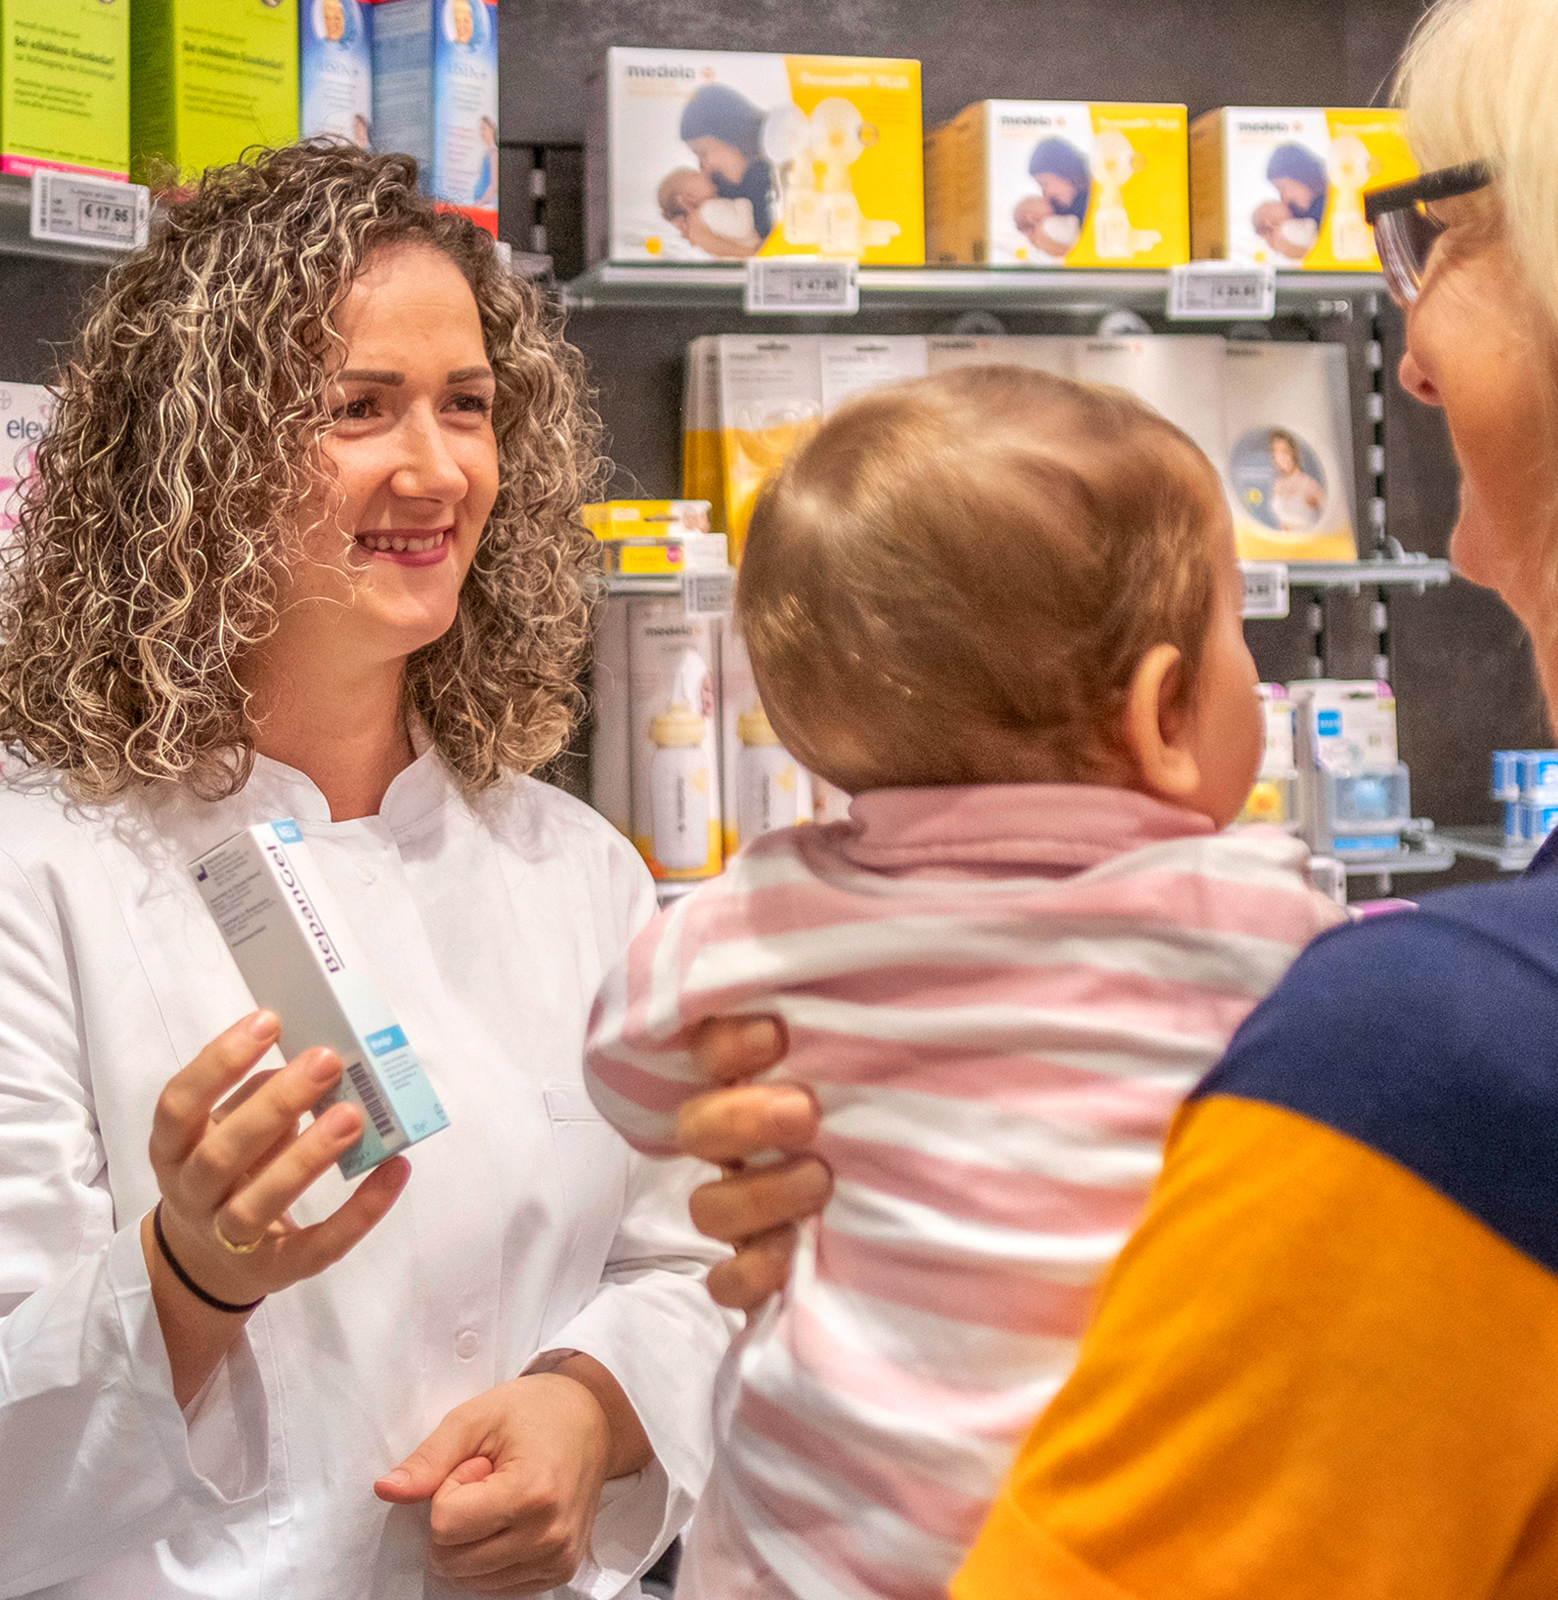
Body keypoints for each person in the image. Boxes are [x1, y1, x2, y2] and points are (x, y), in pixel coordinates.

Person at [670, 0, 1558, 1592]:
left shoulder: (1428, 1055)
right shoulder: (1332, 969)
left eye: (1443, 235)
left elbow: (644, 1055)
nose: (1405, 355)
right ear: (1162, 715)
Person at [0, 144, 732, 1600]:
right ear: (199, 457)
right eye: (354, 410)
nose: (434, 470)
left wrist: (586, 1415)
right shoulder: (10, 883)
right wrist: (190, 1277)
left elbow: (682, 1272)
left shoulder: (575, 870)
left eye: (465, 406)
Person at [584, 366, 1344, 1600]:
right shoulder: (1253, 915)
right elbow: (1399, 1025)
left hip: (820, 1542)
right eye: (1235, 630)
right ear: (1164, 712)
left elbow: (624, 1062)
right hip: (1130, 1523)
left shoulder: (767, 916)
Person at [679, 82, 774, 256]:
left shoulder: (789, 173)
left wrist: (714, 243)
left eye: (703, 153)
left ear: (730, 133)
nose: (704, 168)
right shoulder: (727, 191)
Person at [1266, 428, 1326, 530]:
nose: (1281, 458)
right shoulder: (1277, 485)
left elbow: (1333, 515)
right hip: (1283, 543)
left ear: (1293, 453)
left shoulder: (1308, 484)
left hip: (1306, 542)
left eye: (1285, 451)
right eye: (1276, 452)